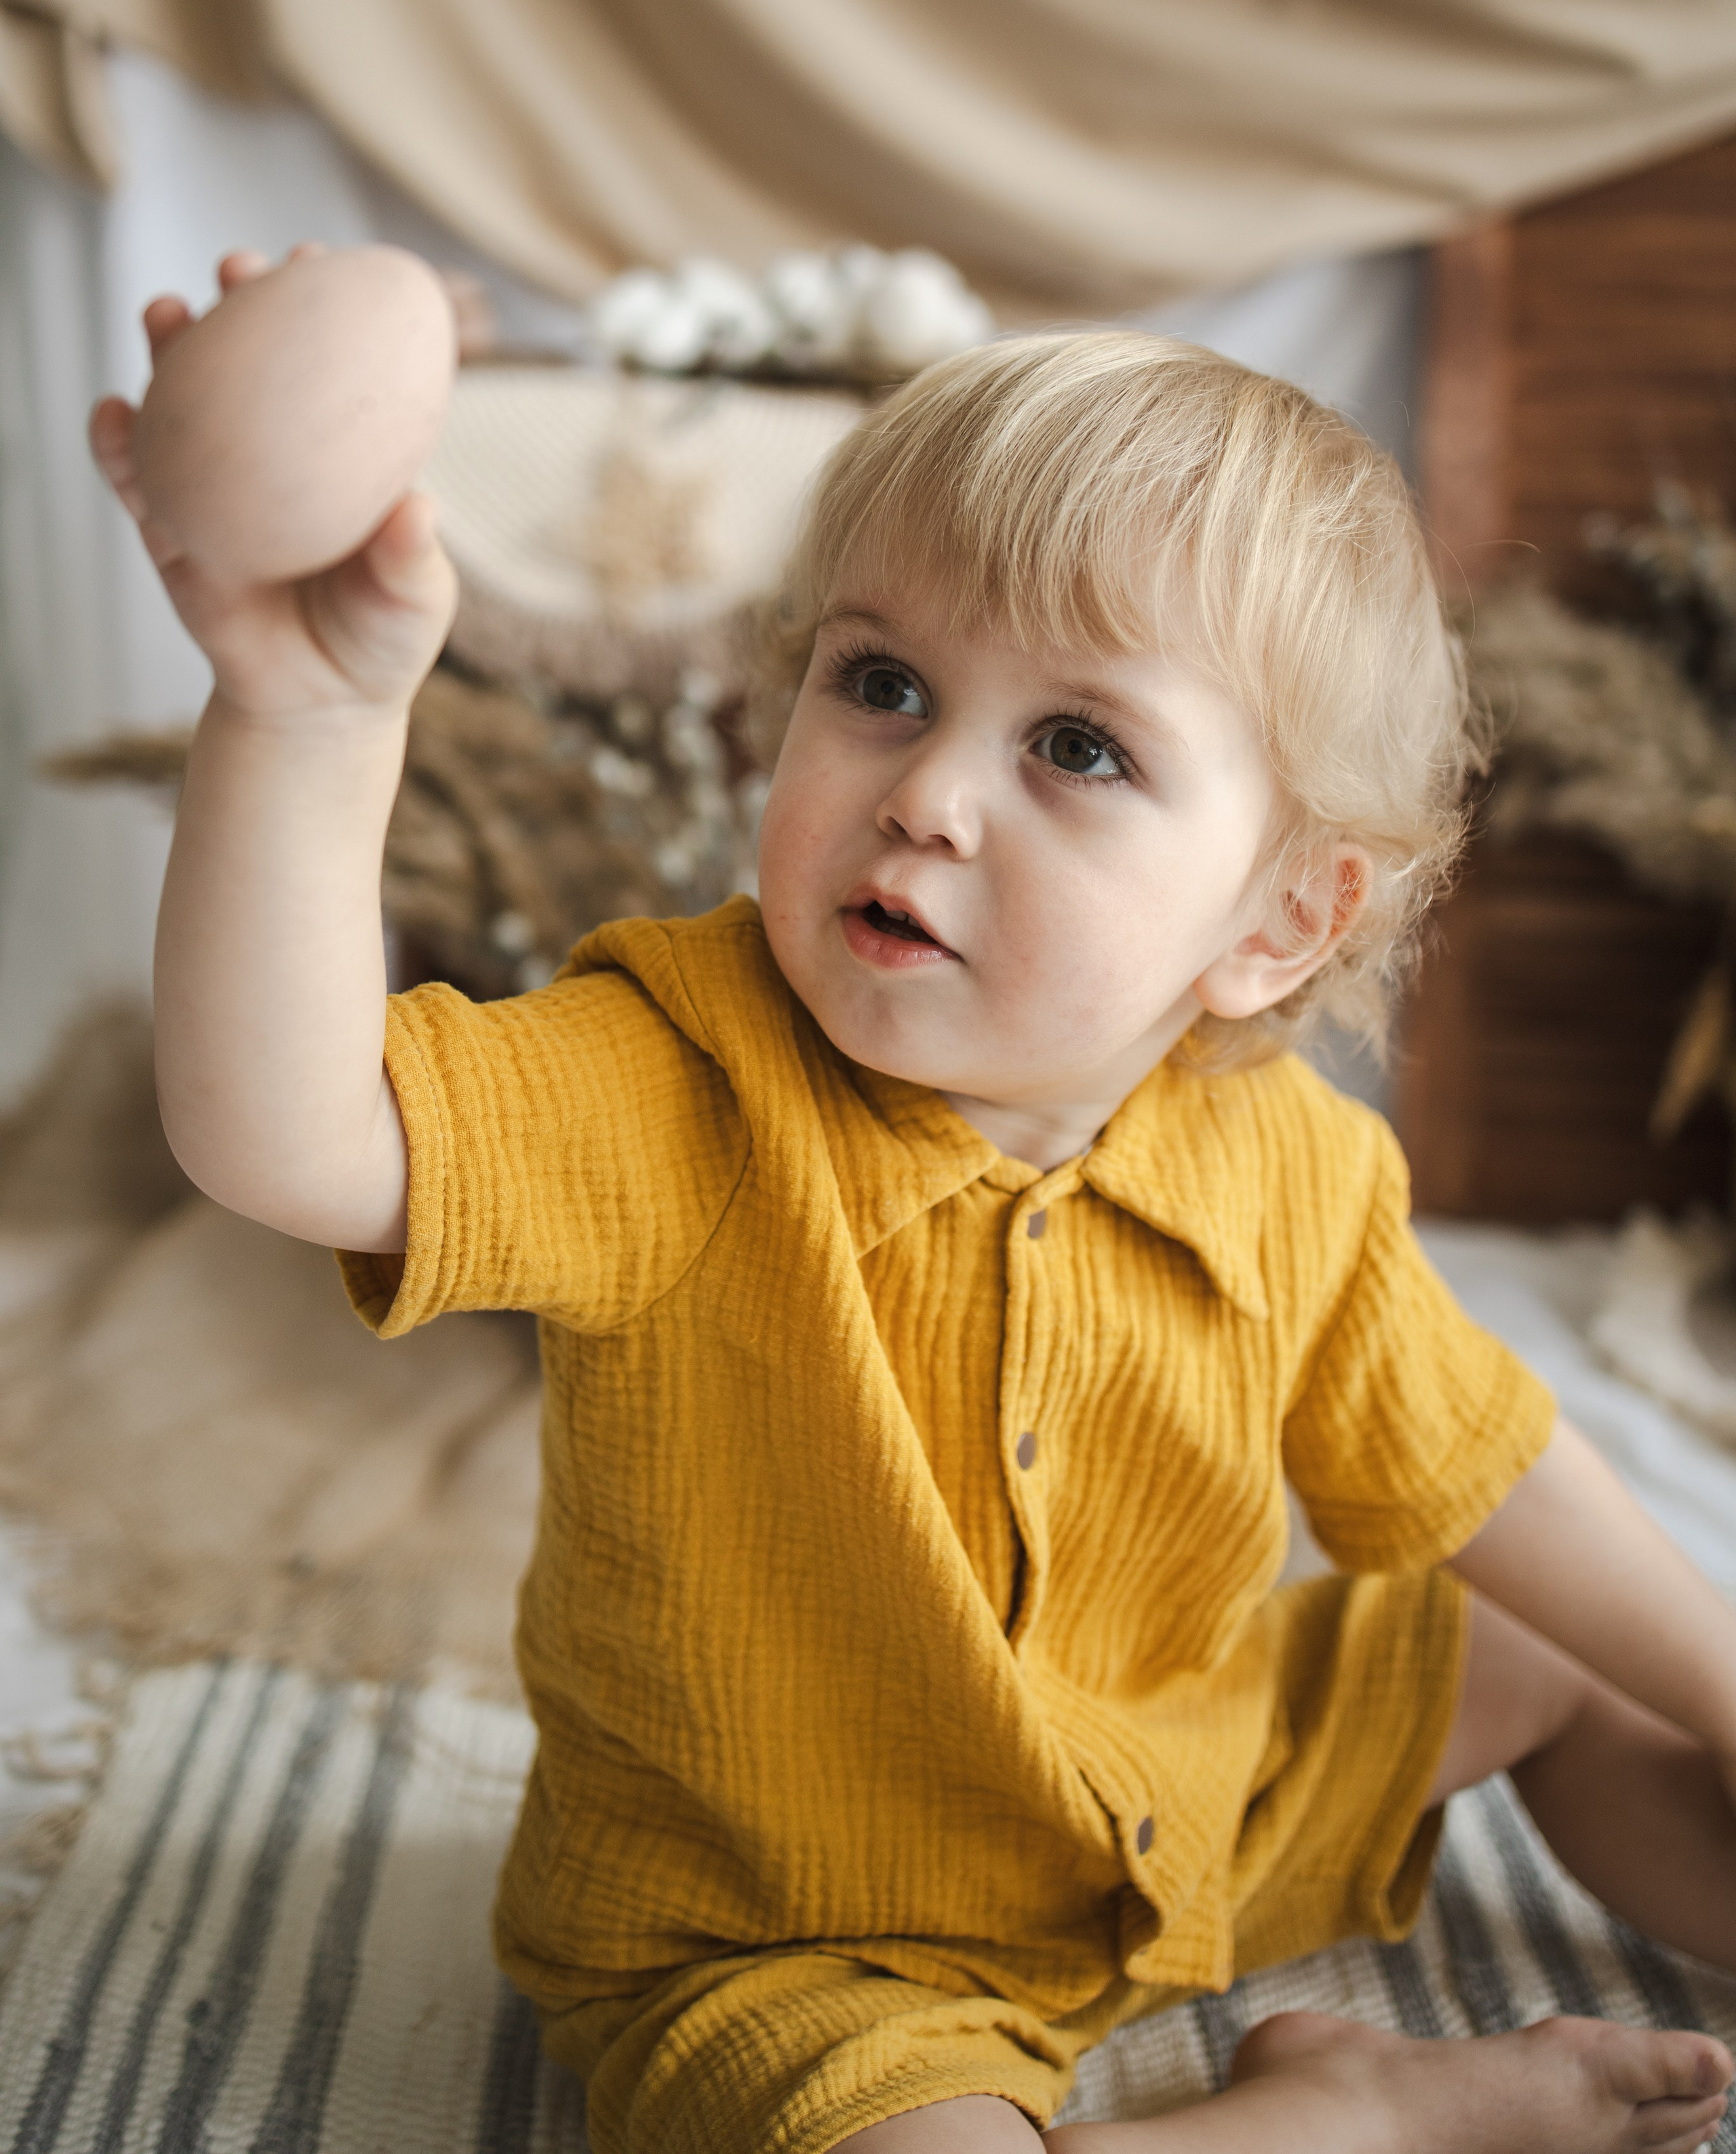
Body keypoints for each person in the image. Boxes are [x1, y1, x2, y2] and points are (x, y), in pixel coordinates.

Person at [92, 252, 1736, 2154]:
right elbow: (285, 1132)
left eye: (1079, 747)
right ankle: (1371, 2117)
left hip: (1187, 1792)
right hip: (797, 1943)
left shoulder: (1293, 1167)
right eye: (882, 683)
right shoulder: (680, 1082)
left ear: (1283, 920)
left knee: (1548, 1653)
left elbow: (1490, 1470)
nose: (931, 795)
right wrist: (301, 720)